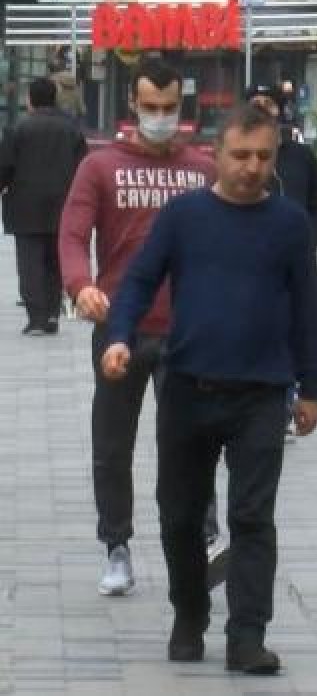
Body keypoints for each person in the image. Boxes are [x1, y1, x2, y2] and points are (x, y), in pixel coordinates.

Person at [100, 104, 317, 675]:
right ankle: (189, 613)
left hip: (261, 393)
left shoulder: (289, 224)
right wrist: (120, 337)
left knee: (253, 518)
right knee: (179, 515)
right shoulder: (183, 217)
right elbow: (139, 283)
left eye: (263, 156)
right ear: (217, 155)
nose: (251, 167)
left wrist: (313, 386)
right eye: (240, 155)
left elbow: (309, 308)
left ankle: (247, 635)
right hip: (187, 387)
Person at [58, 59, 224, 597]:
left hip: (187, 330)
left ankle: (201, 537)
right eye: (150, 107)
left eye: (168, 108)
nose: (159, 117)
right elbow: (71, 233)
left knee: (193, 440)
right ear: (133, 103)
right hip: (120, 328)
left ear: (182, 104)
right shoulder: (100, 167)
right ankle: (117, 547)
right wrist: (81, 284)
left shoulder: (202, 168)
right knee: (112, 444)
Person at [0, 76, 88, 335]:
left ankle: (36, 316)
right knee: (55, 261)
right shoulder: (72, 130)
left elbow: (5, 167)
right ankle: (51, 313)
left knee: (30, 263)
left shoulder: (17, 130)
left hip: (25, 207)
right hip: (63, 205)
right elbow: (83, 168)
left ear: (30, 100)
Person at [246, 84, 317, 249]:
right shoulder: (235, 155)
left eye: (268, 104)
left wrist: (311, 239)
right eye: (255, 104)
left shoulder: (303, 155)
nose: (261, 109)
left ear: (280, 112)